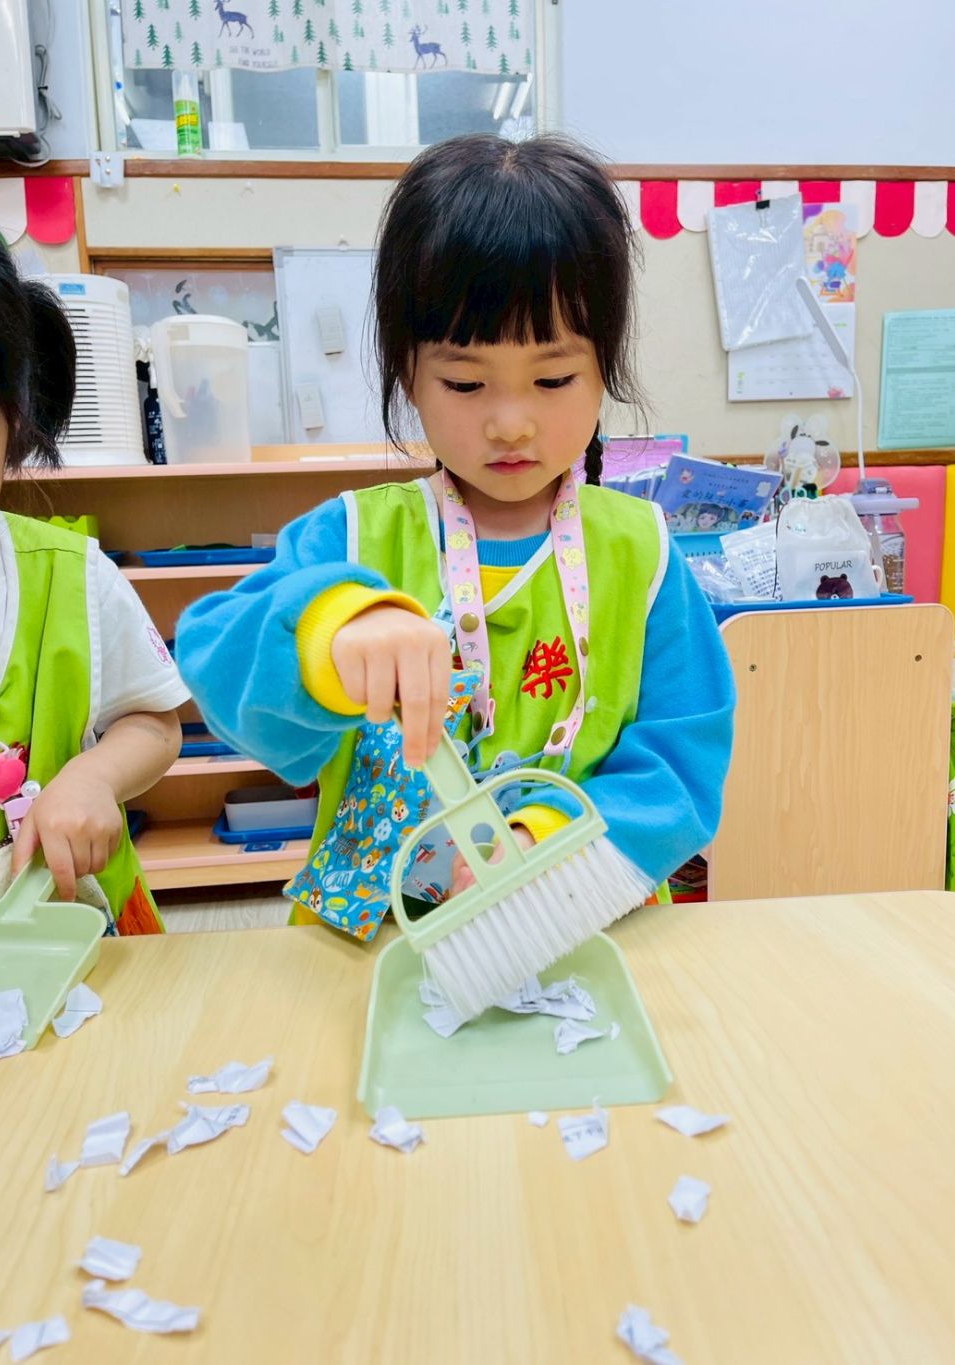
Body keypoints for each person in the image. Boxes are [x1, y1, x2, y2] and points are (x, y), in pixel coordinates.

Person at [176, 134, 735, 939]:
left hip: (583, 923)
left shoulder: (640, 552)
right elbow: (215, 660)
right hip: (385, 947)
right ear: (408, 373)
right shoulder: (356, 536)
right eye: (466, 382)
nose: (510, 422)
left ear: (603, 369)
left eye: (553, 378)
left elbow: (683, 763)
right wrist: (333, 632)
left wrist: (544, 841)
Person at [0, 211, 189, 929]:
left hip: (82, 937)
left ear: (16, 423)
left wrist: (95, 775)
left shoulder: (74, 576)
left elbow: (156, 724)